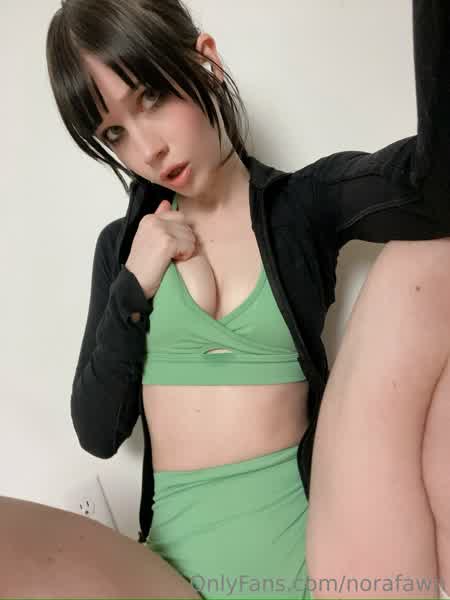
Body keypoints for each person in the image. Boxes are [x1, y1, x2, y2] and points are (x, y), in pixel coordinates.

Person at [1, 0, 449, 597]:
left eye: (150, 98)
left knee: (428, 255)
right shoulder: (124, 248)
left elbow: (434, 189)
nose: (147, 151)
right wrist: (134, 285)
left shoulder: (301, 206)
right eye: (114, 133)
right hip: (170, 580)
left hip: (322, 562)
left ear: (206, 62)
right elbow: (98, 432)